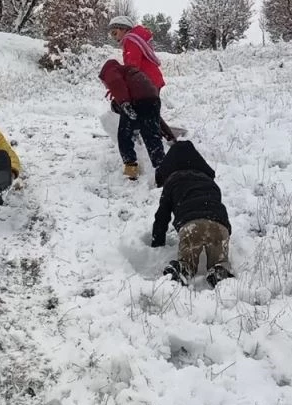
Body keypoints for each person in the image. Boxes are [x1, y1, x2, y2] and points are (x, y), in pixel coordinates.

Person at [151, 141, 234, 287]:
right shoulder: (210, 182)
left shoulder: (172, 181)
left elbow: (162, 217)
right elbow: (218, 208)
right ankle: (219, 273)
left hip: (191, 226)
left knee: (186, 263)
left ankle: (181, 270)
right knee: (220, 263)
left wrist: (157, 243)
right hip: (219, 227)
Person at [108, 16, 177, 143]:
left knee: (125, 106)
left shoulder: (130, 40)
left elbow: (132, 67)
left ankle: (141, 134)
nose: (114, 37)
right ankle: (167, 137)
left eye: (115, 32)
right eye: (111, 34)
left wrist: (121, 86)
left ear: (124, 29)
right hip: (151, 80)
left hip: (146, 82)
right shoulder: (135, 39)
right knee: (149, 111)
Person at [98, 59, 165, 180]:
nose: (105, 85)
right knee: (152, 137)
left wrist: (125, 104)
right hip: (153, 99)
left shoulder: (109, 70)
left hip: (137, 102)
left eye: (103, 83)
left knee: (124, 137)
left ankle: (131, 171)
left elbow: (116, 82)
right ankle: (163, 172)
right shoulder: (129, 72)